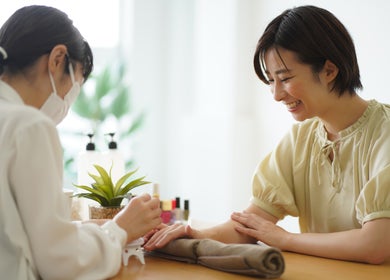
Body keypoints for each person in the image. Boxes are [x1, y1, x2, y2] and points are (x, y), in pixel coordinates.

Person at [144, 5, 390, 264]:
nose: (276, 94)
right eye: (271, 80)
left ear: (329, 70)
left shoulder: (384, 133)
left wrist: (285, 239)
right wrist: (194, 234)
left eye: (284, 78)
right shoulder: (300, 140)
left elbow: (375, 244)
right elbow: (254, 224)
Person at [0, 5, 161, 280]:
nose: (68, 102)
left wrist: (88, 229)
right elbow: (59, 261)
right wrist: (120, 228)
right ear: (57, 59)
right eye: (74, 85)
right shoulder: (28, 126)